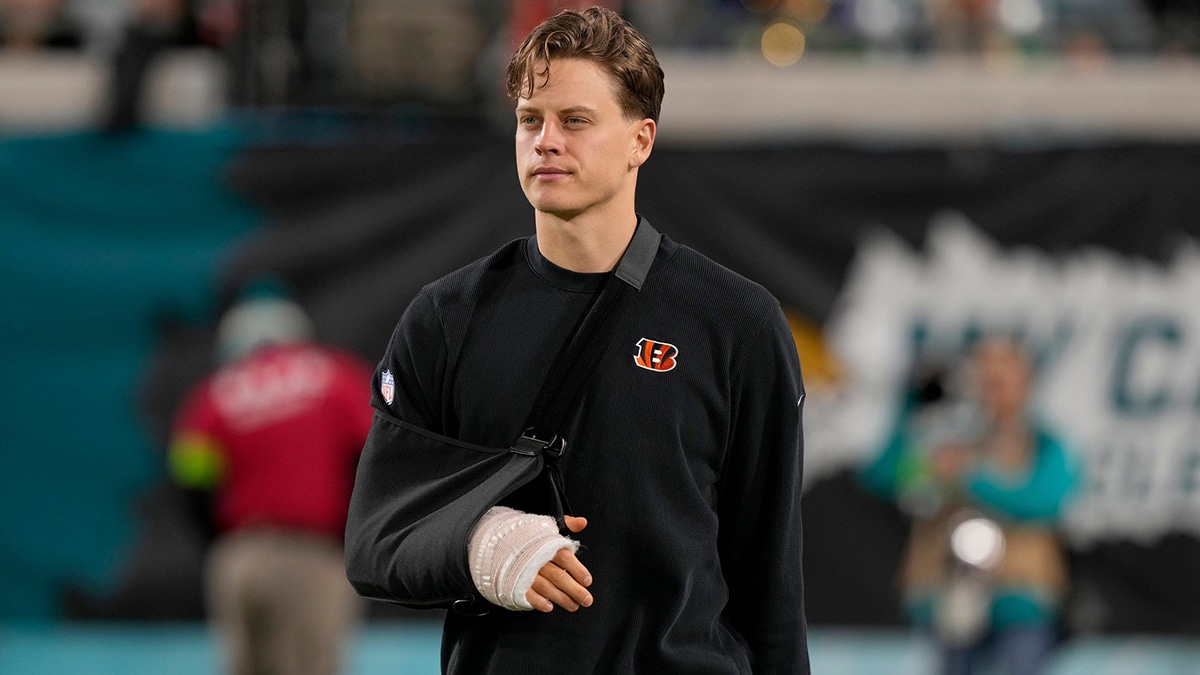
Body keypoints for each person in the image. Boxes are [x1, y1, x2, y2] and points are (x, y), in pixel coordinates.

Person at [345, 7, 809, 674]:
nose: (545, 140)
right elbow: (375, 537)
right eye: (530, 119)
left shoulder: (737, 323)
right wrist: (483, 543)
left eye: (576, 120)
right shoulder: (445, 318)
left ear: (640, 140)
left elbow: (772, 582)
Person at [169, 283, 373, 675]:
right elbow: (372, 453)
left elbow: (189, 482)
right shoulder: (335, 377)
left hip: (241, 556)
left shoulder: (213, 395)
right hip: (314, 554)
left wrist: (221, 542)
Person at [859, 335, 1081, 675]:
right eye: (982, 382)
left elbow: (1042, 500)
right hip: (951, 607)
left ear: (1025, 384)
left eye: (999, 383)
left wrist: (969, 476)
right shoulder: (943, 441)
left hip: (1021, 606)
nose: (990, 395)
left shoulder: (1045, 445)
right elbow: (883, 475)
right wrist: (911, 405)